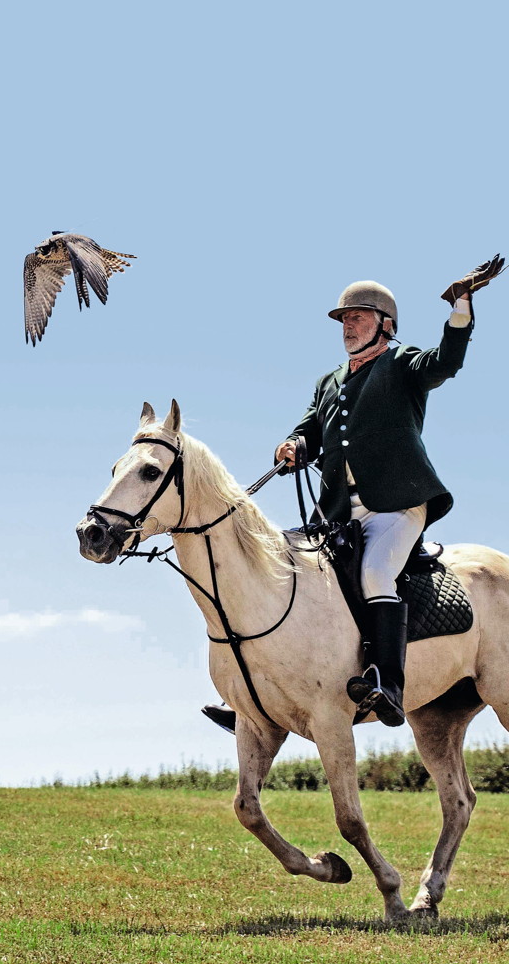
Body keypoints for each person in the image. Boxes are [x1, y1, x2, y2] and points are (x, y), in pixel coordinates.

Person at [202, 277, 472, 733]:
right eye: (344, 319)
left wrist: (460, 310)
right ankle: (255, 694)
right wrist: (293, 444)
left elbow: (445, 362)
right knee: (279, 569)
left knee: (375, 573)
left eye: (358, 317)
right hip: (337, 513)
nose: (348, 326)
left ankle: (388, 683)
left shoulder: (403, 363)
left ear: (385, 325)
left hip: (396, 506)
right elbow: (308, 427)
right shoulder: (329, 381)